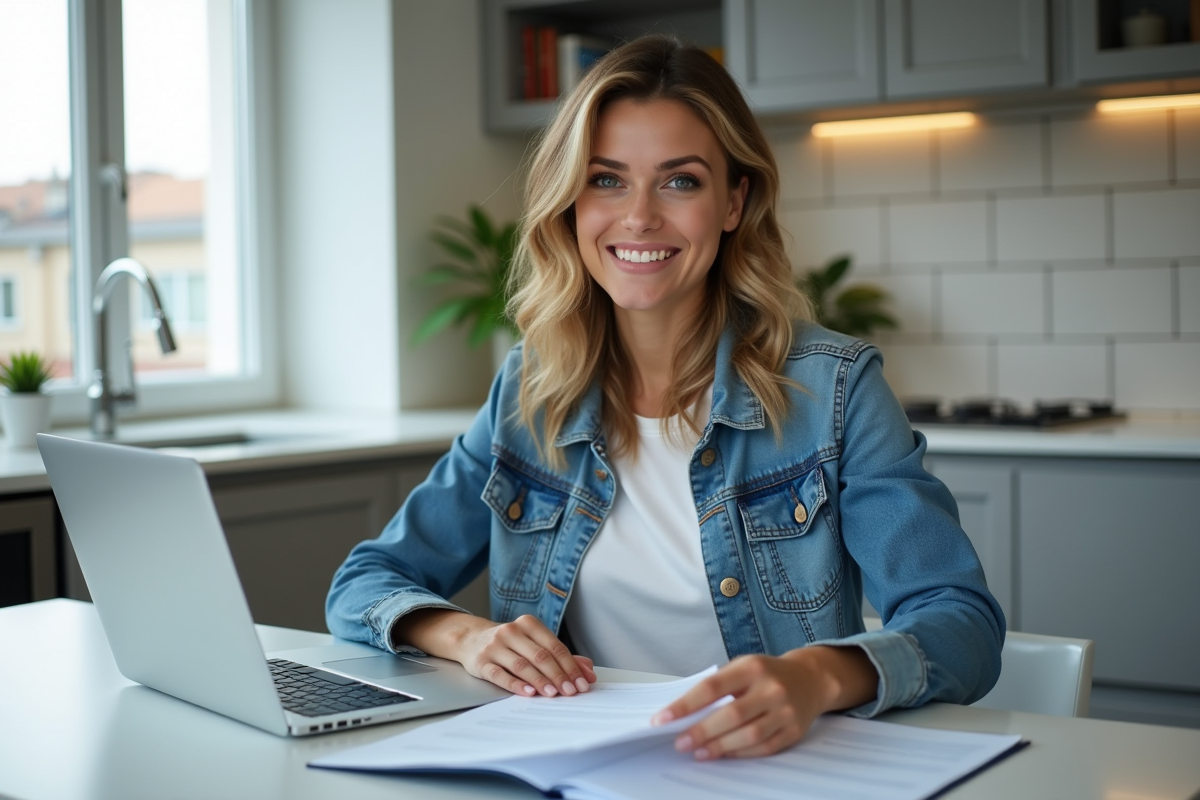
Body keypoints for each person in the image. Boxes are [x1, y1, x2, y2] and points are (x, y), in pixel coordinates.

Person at [326, 34, 1004, 761]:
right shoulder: (530, 390)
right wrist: (467, 636)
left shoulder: (832, 389)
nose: (640, 216)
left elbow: (960, 622)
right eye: (607, 180)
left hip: (770, 769)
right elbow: (365, 582)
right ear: (570, 202)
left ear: (734, 201)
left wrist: (815, 676)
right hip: (580, 764)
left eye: (680, 181)